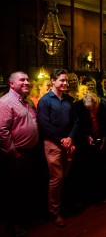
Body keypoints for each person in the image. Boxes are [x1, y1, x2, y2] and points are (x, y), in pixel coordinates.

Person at [0, 71, 41, 236]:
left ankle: (23, 221)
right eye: (21, 80)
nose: (26, 82)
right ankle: (11, 226)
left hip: (30, 153)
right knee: (12, 192)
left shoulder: (25, 102)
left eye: (27, 79)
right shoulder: (5, 102)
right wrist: (12, 151)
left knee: (25, 189)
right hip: (16, 155)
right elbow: (1, 130)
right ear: (11, 84)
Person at [38, 68, 79, 227]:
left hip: (68, 143)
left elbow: (76, 121)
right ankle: (54, 212)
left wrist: (70, 138)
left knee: (65, 177)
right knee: (57, 179)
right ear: (52, 81)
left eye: (66, 80)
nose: (65, 83)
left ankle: (63, 206)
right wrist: (61, 140)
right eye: (61, 80)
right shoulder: (45, 101)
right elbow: (44, 125)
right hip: (53, 144)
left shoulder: (69, 99)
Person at [71, 92, 106, 205]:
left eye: (93, 109)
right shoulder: (78, 106)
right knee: (88, 168)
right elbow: (78, 124)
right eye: (89, 110)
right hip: (85, 142)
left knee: (102, 168)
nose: (91, 112)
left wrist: (105, 137)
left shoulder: (105, 105)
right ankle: (89, 196)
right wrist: (87, 135)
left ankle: (102, 194)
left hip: (103, 138)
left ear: (96, 103)